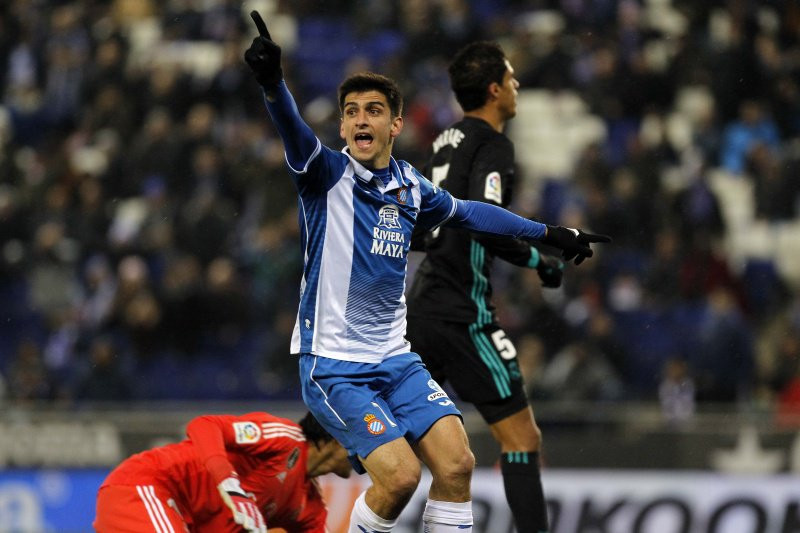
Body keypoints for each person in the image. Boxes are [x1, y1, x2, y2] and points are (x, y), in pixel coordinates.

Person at [243, 12, 609, 533]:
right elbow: (291, 128)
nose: (361, 120)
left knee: (458, 464)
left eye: (374, 110)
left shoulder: (409, 187)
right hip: (335, 365)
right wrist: (272, 83)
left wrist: (552, 234)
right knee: (399, 478)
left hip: (397, 359)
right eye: (352, 113)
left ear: (395, 124)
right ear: (344, 126)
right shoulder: (325, 175)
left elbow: (473, 213)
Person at [406, 41, 603, 533]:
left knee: (385, 443)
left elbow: (452, 220)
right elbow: (483, 221)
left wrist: (536, 260)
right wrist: (543, 253)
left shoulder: (445, 139)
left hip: (422, 303)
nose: (517, 88)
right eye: (513, 80)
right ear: (495, 90)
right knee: (521, 438)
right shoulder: (494, 144)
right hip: (463, 311)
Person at [94, 411, 351, 532]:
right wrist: (229, 483)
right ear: (336, 438)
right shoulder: (284, 438)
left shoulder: (311, 507)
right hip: (146, 487)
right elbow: (204, 426)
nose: (369, 452)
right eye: (363, 440)